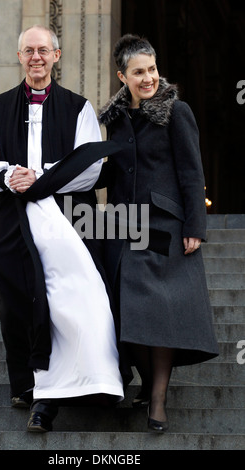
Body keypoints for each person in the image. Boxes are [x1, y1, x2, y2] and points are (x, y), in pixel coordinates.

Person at [0, 25, 126, 432]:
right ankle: (26, 382)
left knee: (76, 295)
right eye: (28, 51)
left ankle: (85, 382)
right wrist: (9, 175)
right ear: (19, 57)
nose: (36, 57)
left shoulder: (78, 108)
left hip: (68, 215)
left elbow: (90, 168)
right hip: (13, 217)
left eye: (43, 50)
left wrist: (40, 177)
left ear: (57, 56)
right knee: (17, 293)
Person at [97, 34, 219, 432]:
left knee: (162, 315)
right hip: (123, 227)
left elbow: (191, 171)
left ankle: (158, 402)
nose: (148, 77)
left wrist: (195, 226)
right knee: (132, 312)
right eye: (138, 72)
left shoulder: (176, 111)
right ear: (122, 76)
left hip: (165, 227)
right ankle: (146, 381)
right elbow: (110, 173)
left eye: (152, 69)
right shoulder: (115, 120)